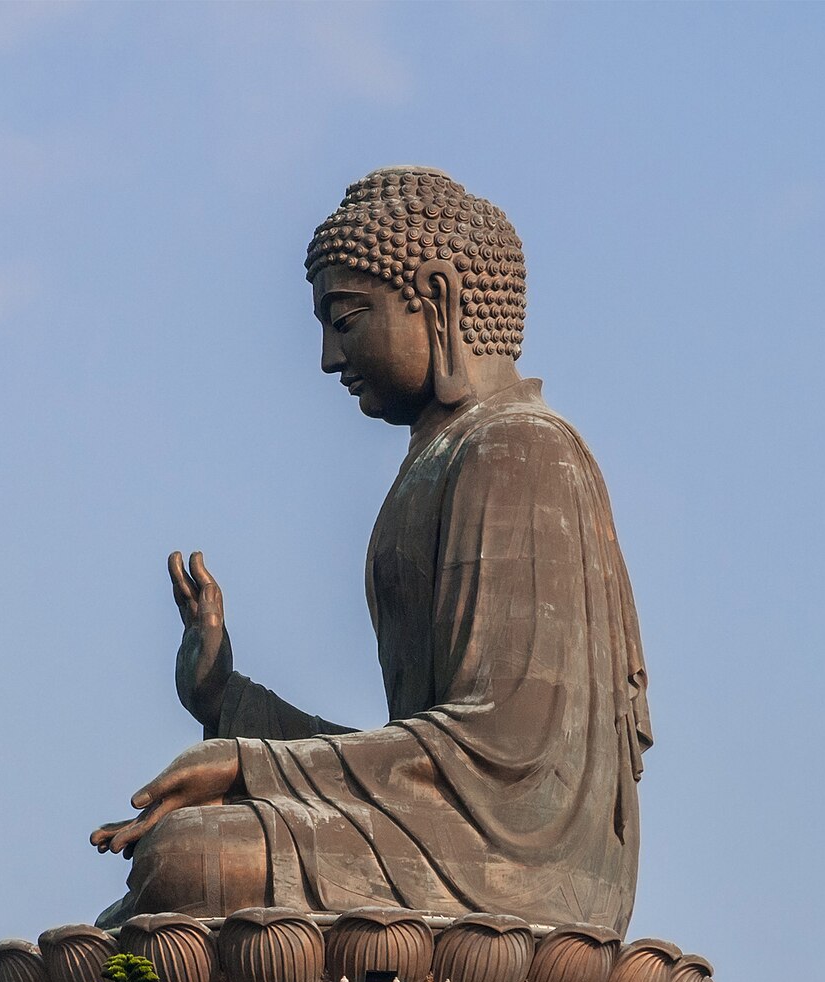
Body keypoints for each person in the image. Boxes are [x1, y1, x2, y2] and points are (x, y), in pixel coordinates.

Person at [92, 167, 651, 936]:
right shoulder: (444, 457)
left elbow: (501, 756)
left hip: (516, 868)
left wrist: (253, 763)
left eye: (347, 318)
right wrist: (228, 703)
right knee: (140, 898)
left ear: (440, 297)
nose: (328, 356)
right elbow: (424, 759)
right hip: (438, 831)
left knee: (189, 861)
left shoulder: (518, 450)